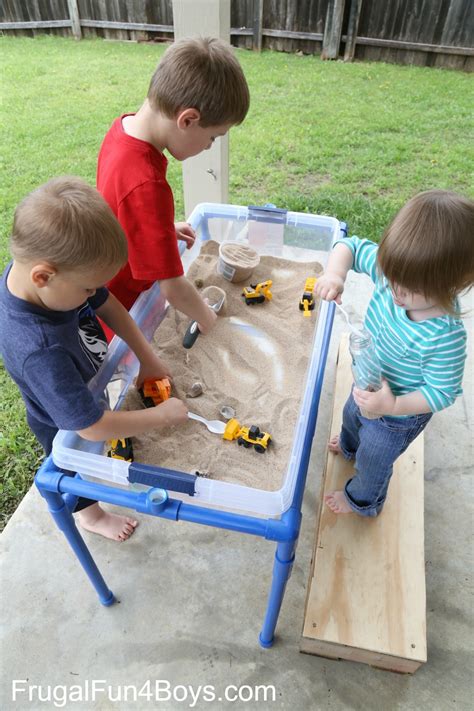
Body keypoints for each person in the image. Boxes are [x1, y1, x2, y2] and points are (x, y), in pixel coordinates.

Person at [0, 177, 189, 540]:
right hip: (59, 417)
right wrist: (159, 416)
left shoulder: (53, 278)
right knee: (71, 466)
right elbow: (90, 426)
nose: (93, 292)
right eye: (87, 287)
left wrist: (146, 357)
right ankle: (90, 515)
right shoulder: (40, 352)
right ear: (43, 276)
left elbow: (106, 303)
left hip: (82, 375)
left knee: (99, 420)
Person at [315, 189, 474, 517]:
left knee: (374, 458)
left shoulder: (445, 336)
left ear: (453, 285)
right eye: (392, 277)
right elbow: (350, 245)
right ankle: (348, 446)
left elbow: (441, 392)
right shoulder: (398, 274)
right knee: (351, 417)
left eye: (411, 289)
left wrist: (394, 405)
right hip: (367, 380)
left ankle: (363, 499)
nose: (396, 291)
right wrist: (335, 274)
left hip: (399, 415)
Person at [97, 36, 250, 341]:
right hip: (123, 309)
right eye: (214, 137)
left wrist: (159, 231)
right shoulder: (147, 183)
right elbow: (173, 287)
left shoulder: (122, 130)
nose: (209, 146)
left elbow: (121, 208)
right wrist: (207, 317)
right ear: (188, 119)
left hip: (114, 276)